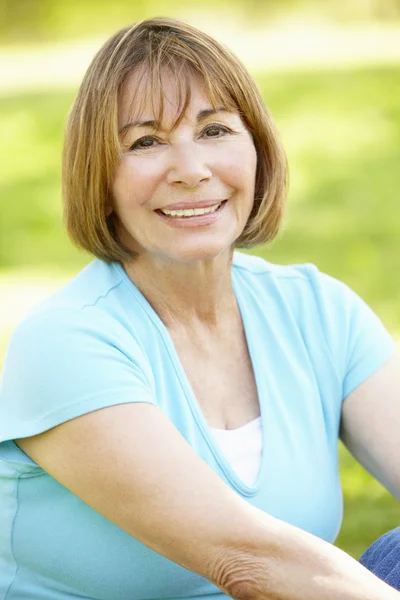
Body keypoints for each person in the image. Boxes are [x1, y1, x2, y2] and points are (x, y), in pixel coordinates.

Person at [0, 16, 399, 600]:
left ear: (257, 148)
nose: (190, 170)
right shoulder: (64, 344)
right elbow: (247, 561)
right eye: (146, 142)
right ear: (99, 177)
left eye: (214, 131)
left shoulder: (318, 311)